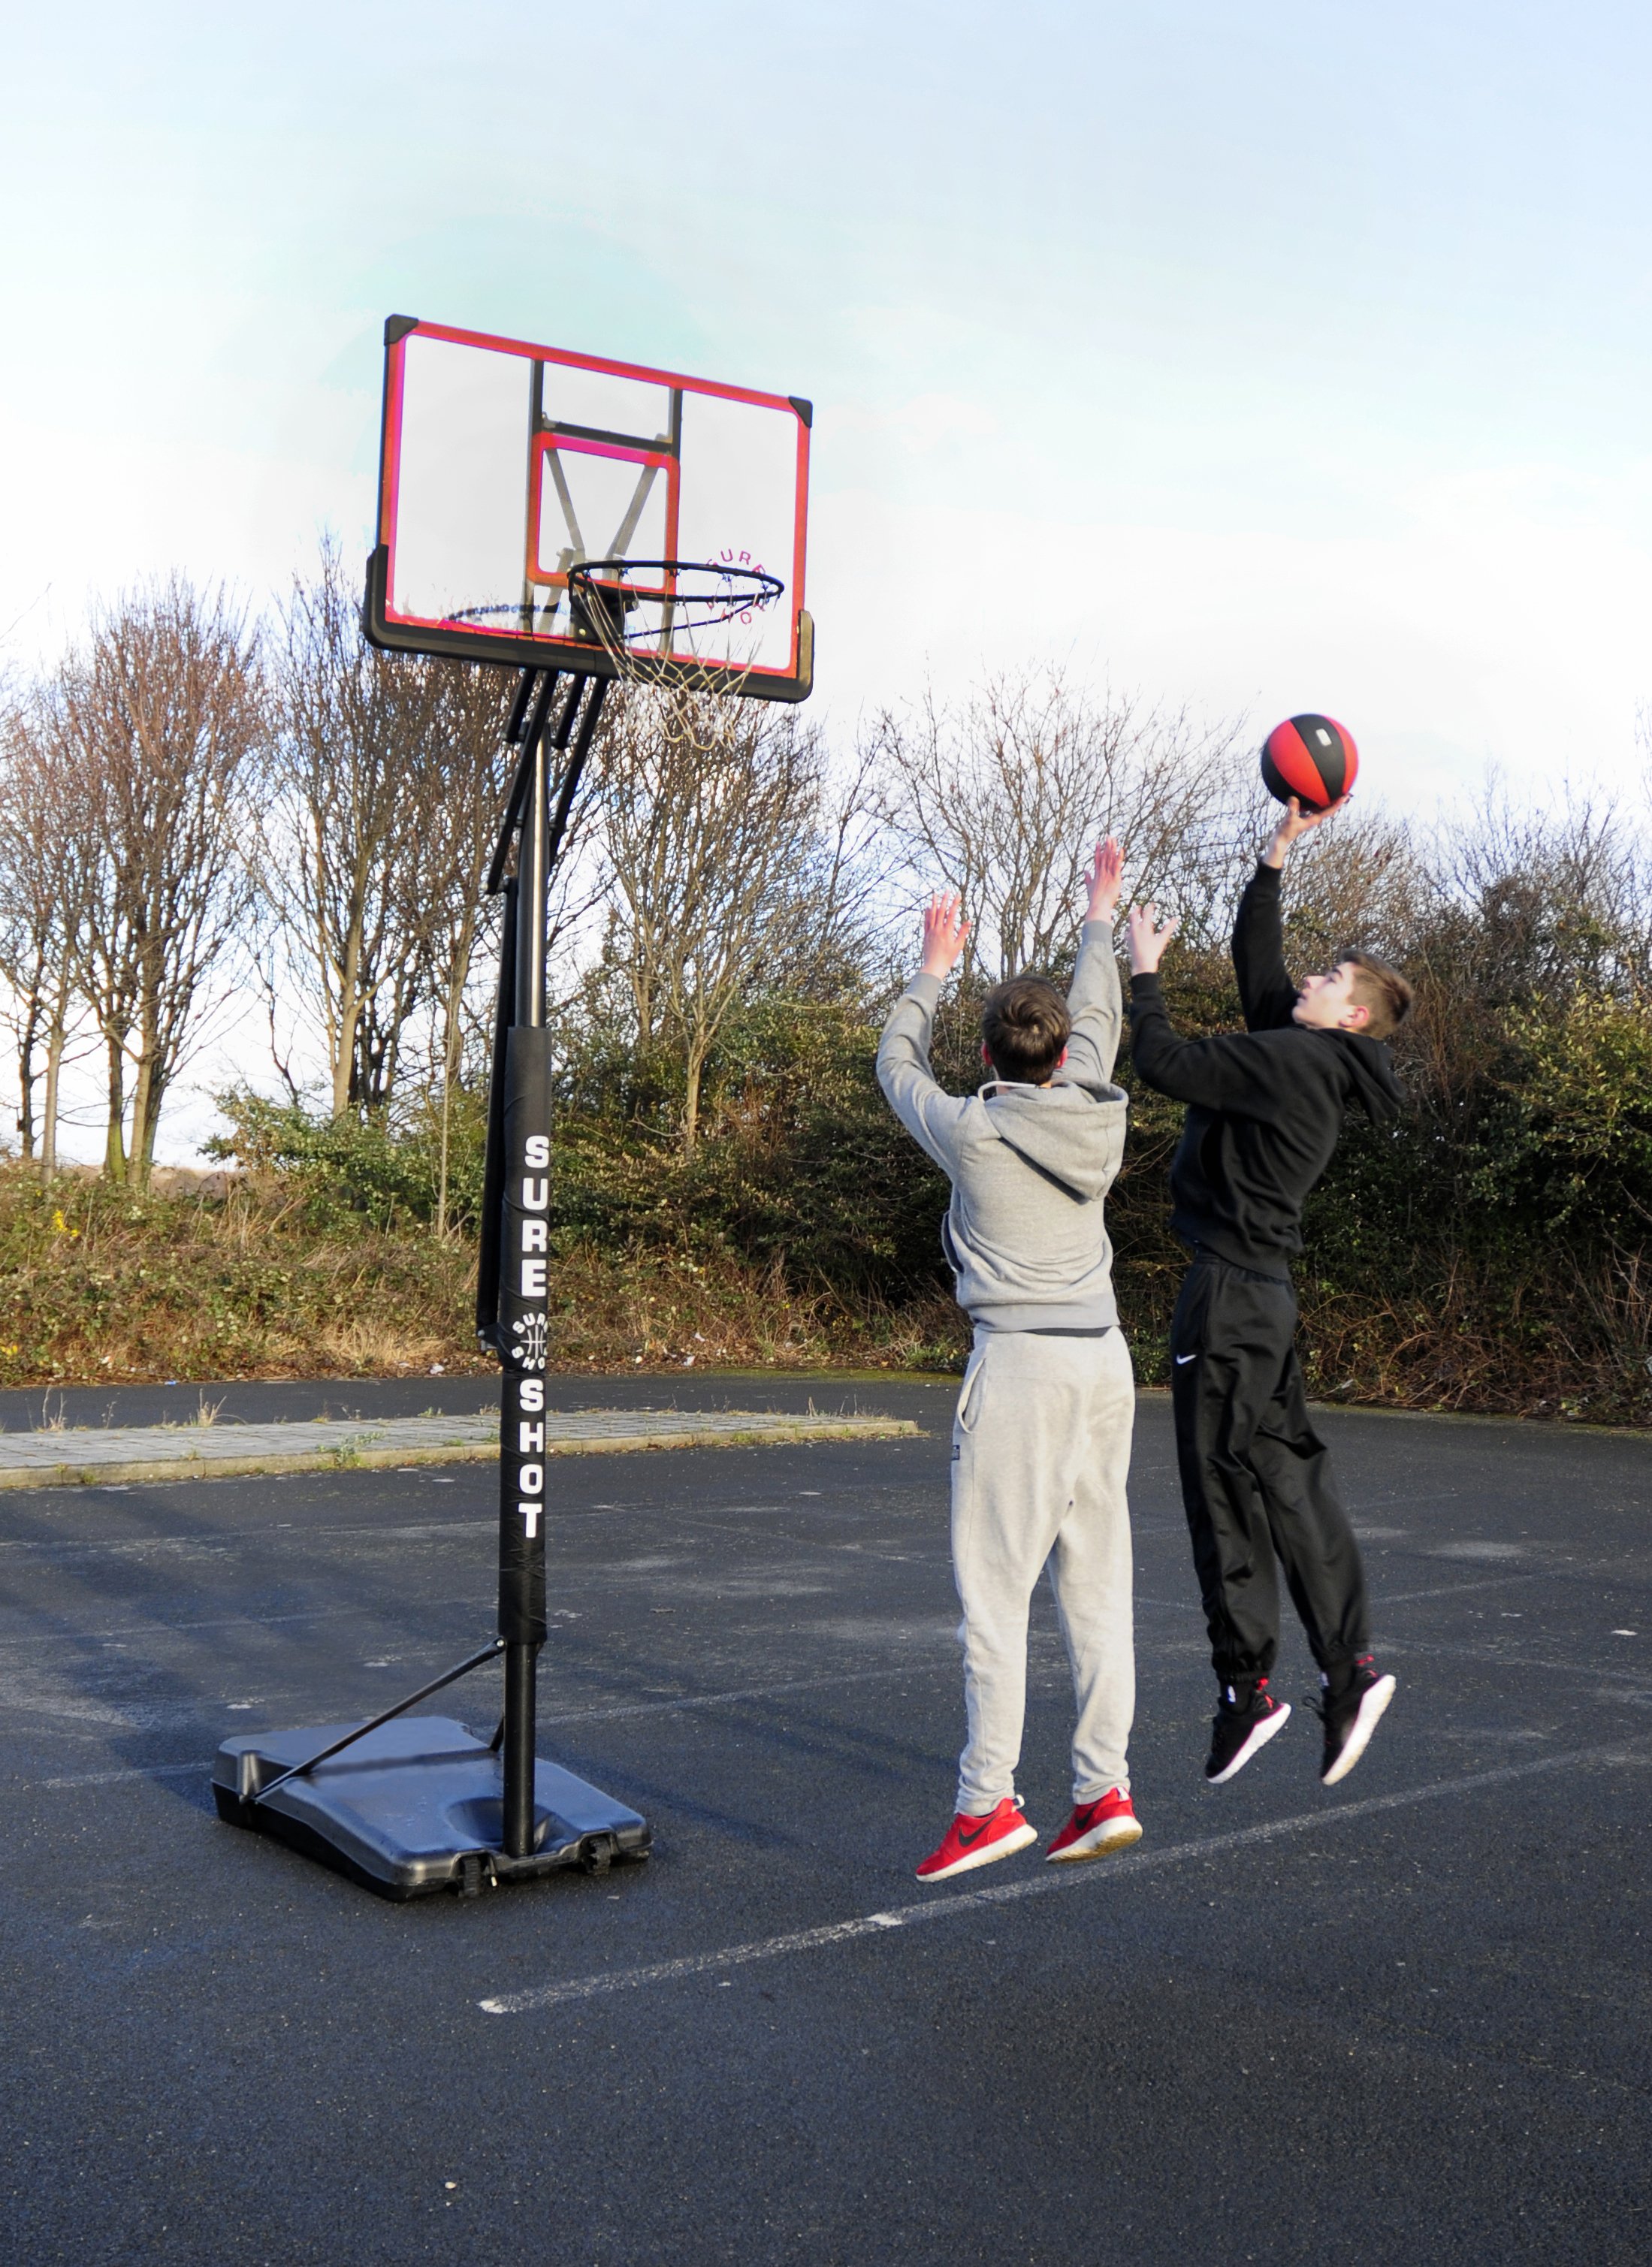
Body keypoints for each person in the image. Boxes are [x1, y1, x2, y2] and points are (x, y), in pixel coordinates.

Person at [1125, 794, 1412, 1788]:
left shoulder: (1290, 1062)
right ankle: (1351, 1670)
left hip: (1232, 1298)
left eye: (1330, 978)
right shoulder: (1316, 1061)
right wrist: (1274, 861)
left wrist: (1145, 972)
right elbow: (1260, 978)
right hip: (1267, 1298)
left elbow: (1160, 1061)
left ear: (1356, 1013)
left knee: (1220, 1482)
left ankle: (1249, 1688)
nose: (1310, 980)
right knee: (1287, 1475)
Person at [877, 840, 1140, 1882]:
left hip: (1024, 1367)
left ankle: (987, 1803)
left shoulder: (971, 1130)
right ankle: (1103, 1787)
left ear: (988, 1059)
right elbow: (1103, 1014)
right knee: (1097, 1585)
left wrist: (932, 969)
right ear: (1064, 1051)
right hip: (1106, 1362)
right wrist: (1098, 916)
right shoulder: (1094, 1104)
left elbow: (895, 1065)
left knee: (995, 1597)